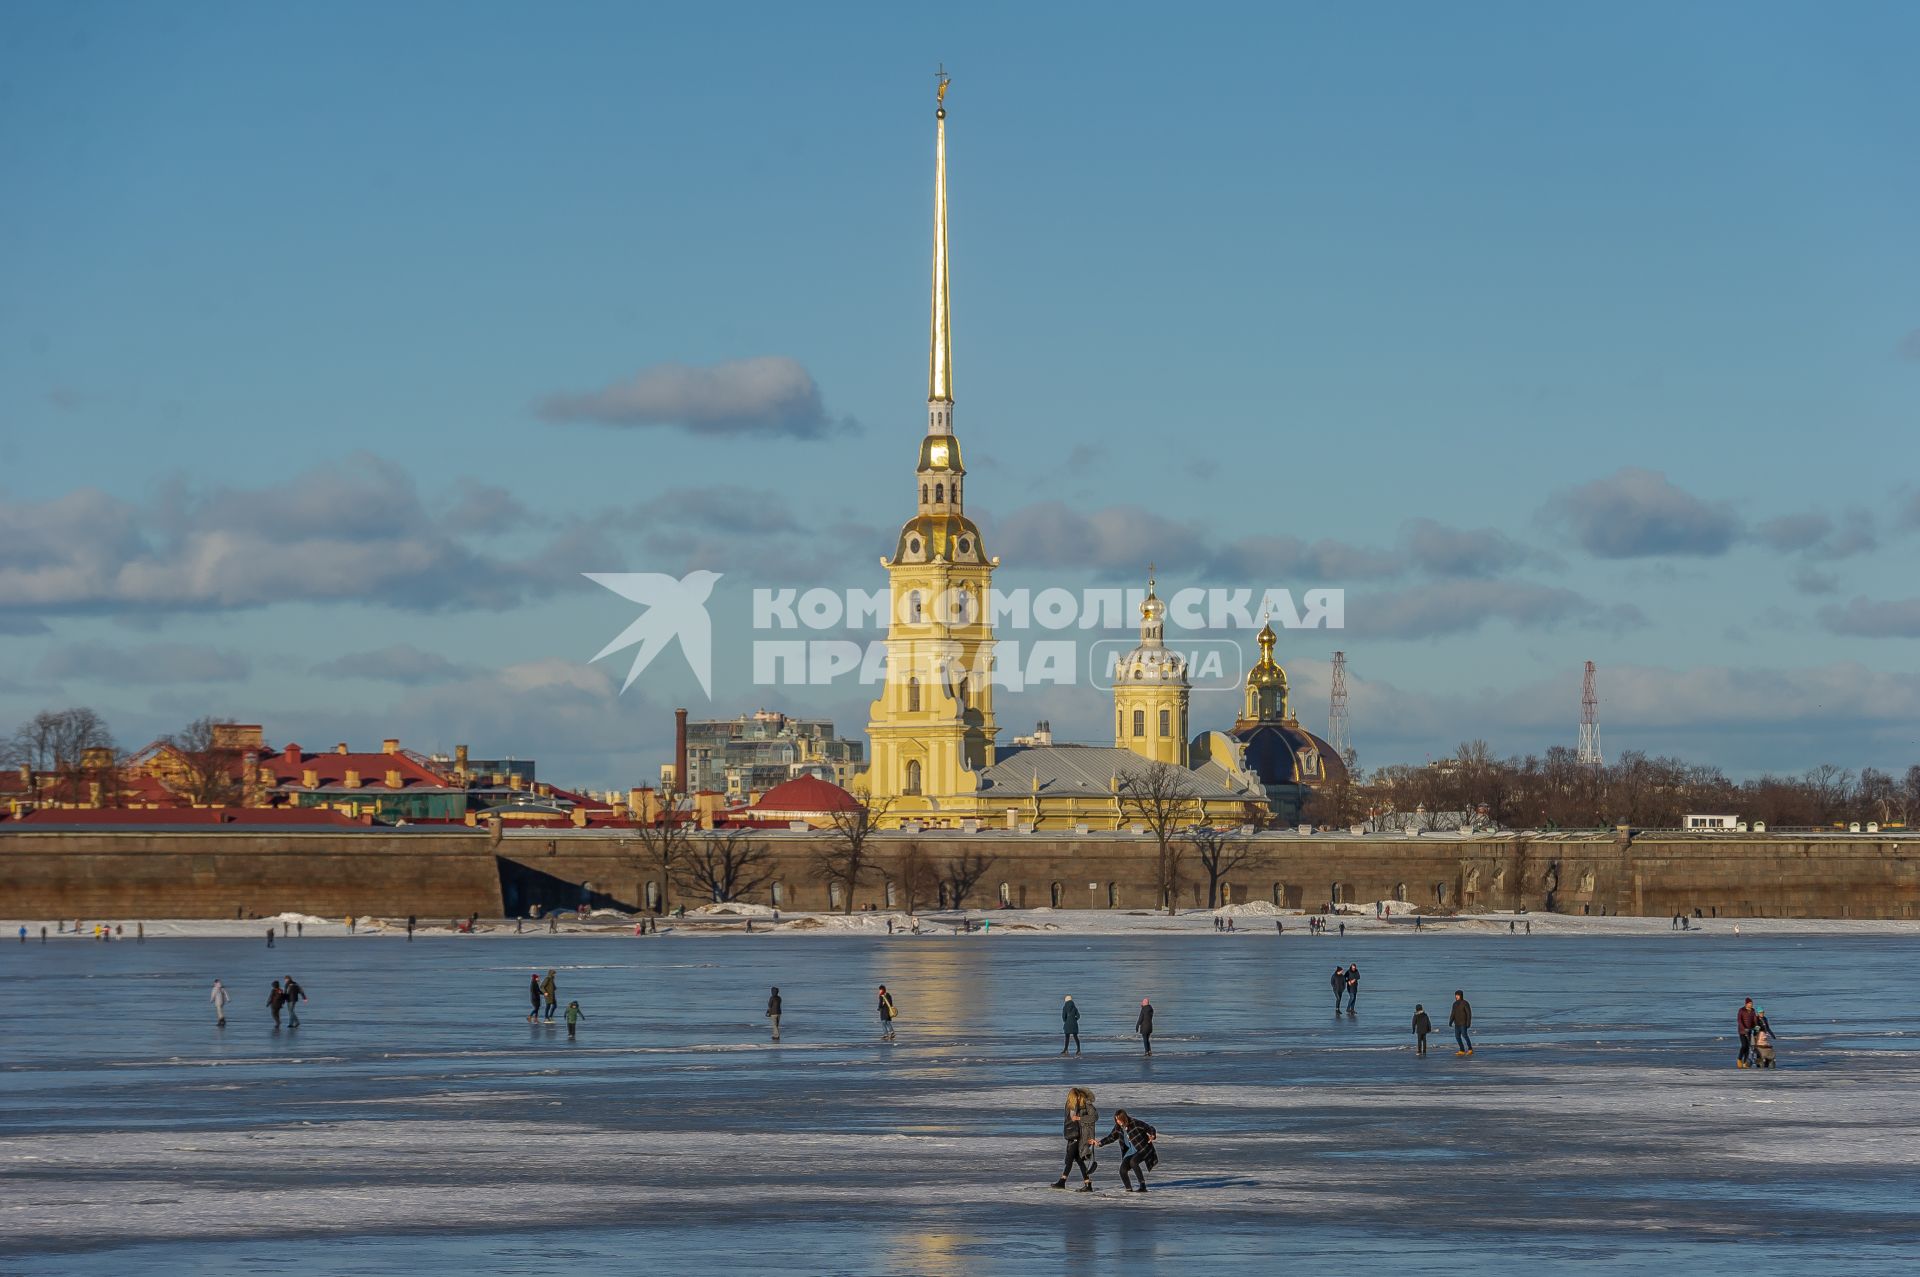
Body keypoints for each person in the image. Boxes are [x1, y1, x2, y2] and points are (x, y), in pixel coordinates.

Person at [1098, 1108, 1159, 1192]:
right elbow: (1111, 1137)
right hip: (1130, 1151)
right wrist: (1100, 1143)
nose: (1118, 1122)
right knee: (1122, 1170)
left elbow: (1149, 1128)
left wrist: (1152, 1135)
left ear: (1124, 1118)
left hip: (1142, 1148)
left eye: (1119, 1120)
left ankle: (1142, 1186)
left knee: (1133, 1162)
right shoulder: (1118, 1127)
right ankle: (1128, 1190)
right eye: (1116, 1120)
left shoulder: (1135, 1123)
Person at [1052, 1087, 1098, 1192]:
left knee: (1069, 1159)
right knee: (1078, 1160)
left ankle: (1062, 1181)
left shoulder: (1086, 1104)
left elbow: (1094, 1117)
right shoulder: (1071, 1106)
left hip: (1080, 1136)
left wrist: (1080, 1119)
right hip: (1072, 1134)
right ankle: (1088, 1183)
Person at [1736, 997, 1758, 1068]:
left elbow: (1754, 1020)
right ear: (1746, 1004)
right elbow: (1739, 1021)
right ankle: (1739, 1059)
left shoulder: (1753, 1011)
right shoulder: (1741, 1010)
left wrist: (1756, 1026)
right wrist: (1744, 1028)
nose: (1751, 1005)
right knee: (1744, 1045)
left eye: (1752, 1003)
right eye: (1750, 1003)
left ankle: (1745, 1062)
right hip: (1742, 1031)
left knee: (1748, 1047)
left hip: (1749, 1031)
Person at [1450, 990, 1473, 1055]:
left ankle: (1470, 1049)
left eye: (1458, 995)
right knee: (1457, 1037)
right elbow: (1453, 1013)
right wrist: (1451, 1021)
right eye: (1456, 995)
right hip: (1457, 1023)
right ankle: (1462, 1050)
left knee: (1464, 1035)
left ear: (1461, 995)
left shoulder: (1465, 1003)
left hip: (1463, 1023)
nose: (1456, 996)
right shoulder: (1454, 1004)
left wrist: (1468, 1022)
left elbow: (1469, 1013)